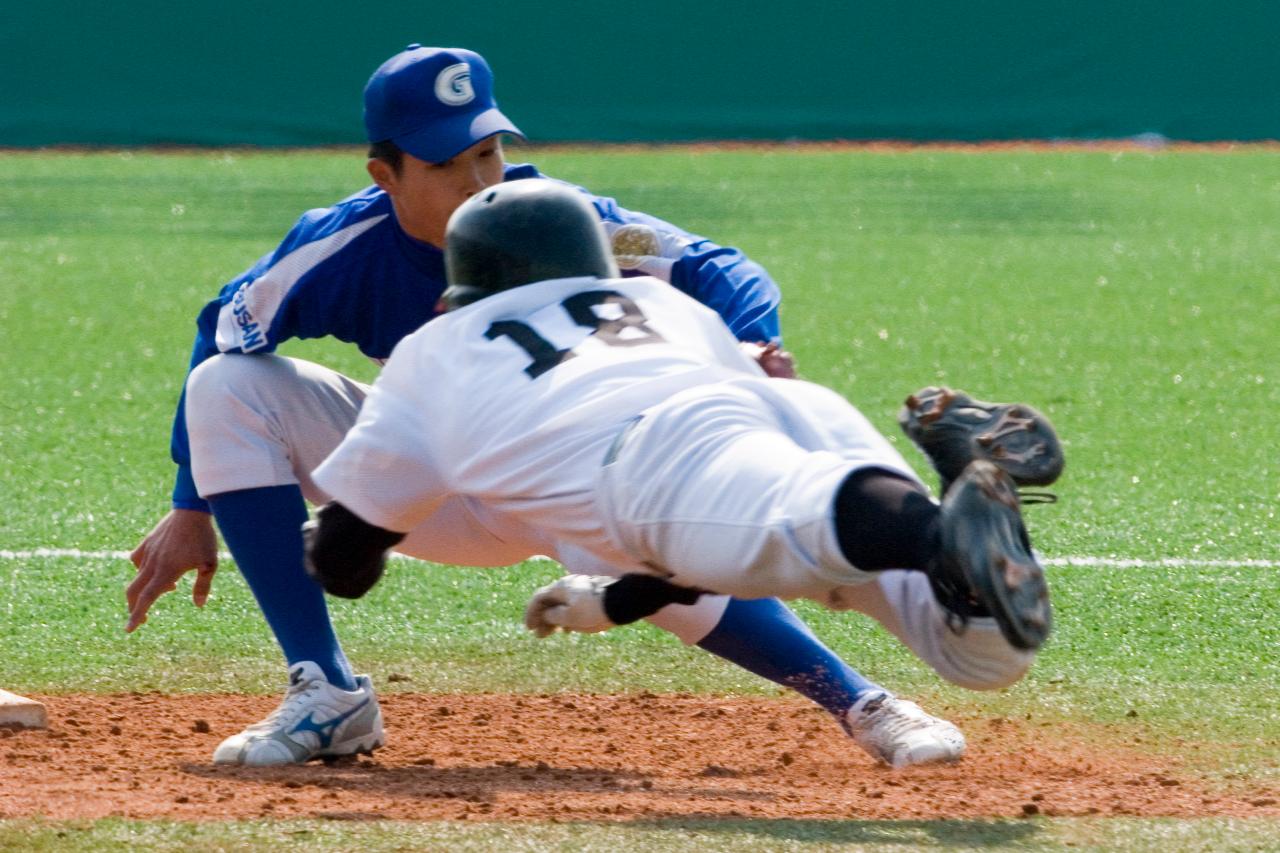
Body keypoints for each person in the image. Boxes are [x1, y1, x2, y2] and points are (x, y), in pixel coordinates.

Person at [125, 45, 975, 769]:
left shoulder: (560, 223)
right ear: (384, 174)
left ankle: (862, 703)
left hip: (575, 474)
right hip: (434, 485)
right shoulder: (341, 245)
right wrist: (190, 505)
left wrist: (754, 351)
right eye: (446, 162)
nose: (478, 177)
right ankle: (327, 691)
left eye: (488, 151)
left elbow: (725, 271)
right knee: (228, 388)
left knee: (665, 528)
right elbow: (225, 327)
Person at [302, 181, 1065, 765]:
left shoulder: (436, 347)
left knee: (803, 518)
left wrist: (331, 542)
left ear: (457, 288)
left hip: (656, 452)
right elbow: (706, 535)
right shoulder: (656, 301)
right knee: (983, 653)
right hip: (786, 417)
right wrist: (622, 601)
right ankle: (954, 511)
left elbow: (345, 561)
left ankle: (941, 528)